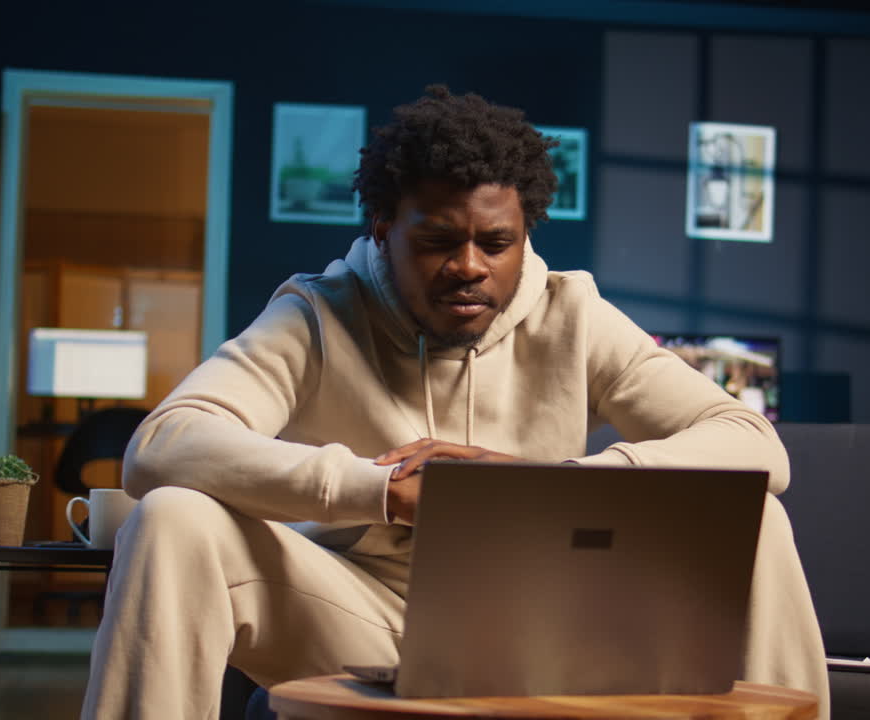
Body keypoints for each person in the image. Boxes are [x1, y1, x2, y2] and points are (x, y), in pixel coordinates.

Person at [80, 84, 829, 719]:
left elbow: (755, 443)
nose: (469, 267)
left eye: (495, 243)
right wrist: (384, 490)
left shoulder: (573, 315)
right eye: (438, 240)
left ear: (523, 233)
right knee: (173, 518)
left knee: (759, 515)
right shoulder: (317, 315)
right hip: (359, 623)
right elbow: (162, 445)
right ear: (383, 228)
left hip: (551, 629)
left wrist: (540, 486)